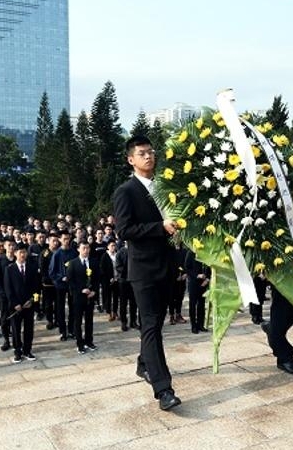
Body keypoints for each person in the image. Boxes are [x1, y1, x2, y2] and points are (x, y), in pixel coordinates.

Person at [113, 135, 181, 411]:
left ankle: (144, 363)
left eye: (151, 152)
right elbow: (124, 230)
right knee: (151, 325)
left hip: (167, 267)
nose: (149, 157)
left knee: (156, 323)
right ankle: (164, 390)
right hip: (143, 271)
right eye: (142, 153)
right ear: (131, 159)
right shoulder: (126, 191)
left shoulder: (164, 188)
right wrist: (159, 227)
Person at [4, 243, 38, 363]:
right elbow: (8, 289)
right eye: (20, 253)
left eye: (24, 252)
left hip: (29, 304)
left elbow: (37, 288)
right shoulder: (9, 269)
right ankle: (17, 351)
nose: (23, 255)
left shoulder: (32, 268)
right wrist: (15, 303)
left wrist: (33, 300)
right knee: (16, 329)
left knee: (29, 329)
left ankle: (27, 350)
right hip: (16, 306)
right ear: (15, 254)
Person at [66, 242, 99, 354]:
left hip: (90, 296)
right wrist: (81, 289)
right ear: (79, 249)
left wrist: (94, 290)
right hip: (78, 296)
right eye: (84, 248)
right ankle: (80, 343)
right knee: (78, 321)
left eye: (88, 248)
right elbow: (70, 280)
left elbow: (97, 278)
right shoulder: (73, 263)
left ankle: (89, 341)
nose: (86, 250)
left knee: (89, 320)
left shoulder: (93, 262)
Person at [184, 250, 209, 334]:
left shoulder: (206, 252)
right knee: (193, 304)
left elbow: (209, 266)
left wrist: (208, 279)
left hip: (203, 282)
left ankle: (200, 324)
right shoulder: (191, 253)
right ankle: (194, 326)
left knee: (201, 304)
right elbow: (187, 268)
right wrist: (197, 275)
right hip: (194, 282)